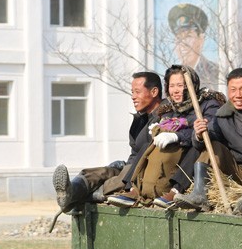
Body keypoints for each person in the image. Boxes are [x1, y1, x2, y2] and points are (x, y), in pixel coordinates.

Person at [107, 65, 224, 208]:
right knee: (147, 144)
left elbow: (210, 127)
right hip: (174, 155)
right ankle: (132, 189)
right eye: (171, 86)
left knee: (198, 148)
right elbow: (166, 125)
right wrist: (159, 130)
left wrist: (179, 136)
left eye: (180, 85)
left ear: (191, 85)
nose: (175, 90)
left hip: (193, 150)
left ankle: (175, 191)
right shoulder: (170, 109)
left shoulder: (208, 104)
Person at [53, 72, 163, 212]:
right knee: (99, 173)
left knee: (115, 181)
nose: (133, 97)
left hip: (144, 172)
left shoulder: (165, 118)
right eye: (132, 92)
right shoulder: (141, 119)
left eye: (137, 92)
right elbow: (134, 152)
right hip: (131, 166)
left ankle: (79, 197)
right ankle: (71, 191)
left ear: (154, 92)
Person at [173, 68, 242, 215]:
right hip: (241, 171)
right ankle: (200, 194)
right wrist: (199, 134)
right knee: (213, 146)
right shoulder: (222, 117)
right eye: (233, 90)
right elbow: (203, 143)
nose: (237, 95)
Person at [168, 3, 219, 89]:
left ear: (201, 39)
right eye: (179, 38)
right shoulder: (171, 76)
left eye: (188, 36)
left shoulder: (215, 72)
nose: (183, 44)